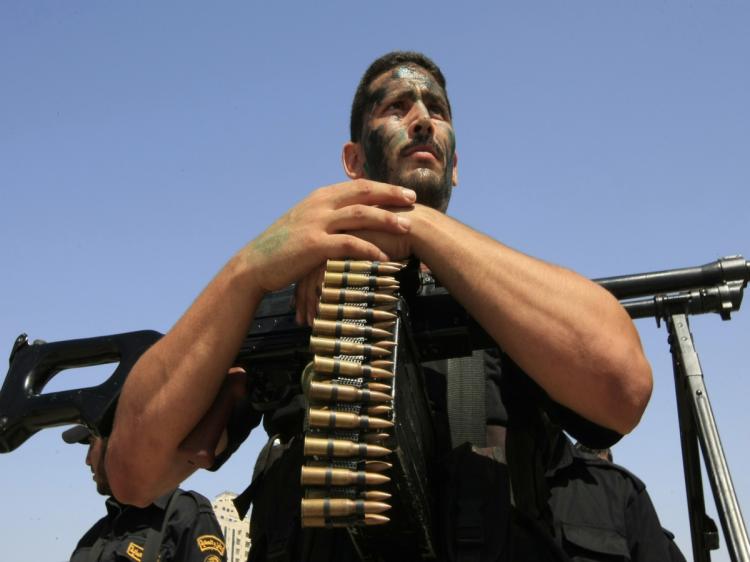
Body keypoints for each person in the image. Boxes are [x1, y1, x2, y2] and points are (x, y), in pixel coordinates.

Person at [106, 51, 653, 560]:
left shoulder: (518, 300)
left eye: (435, 109)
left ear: (454, 163)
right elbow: (134, 472)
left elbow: (623, 386)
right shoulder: (291, 302)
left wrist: (405, 224)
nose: (421, 119)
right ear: (353, 158)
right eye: (396, 107)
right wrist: (251, 268)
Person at [64, 425, 228, 562]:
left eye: (92, 443)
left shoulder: (184, 514)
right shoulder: (94, 536)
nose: (87, 460)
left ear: (117, 442)